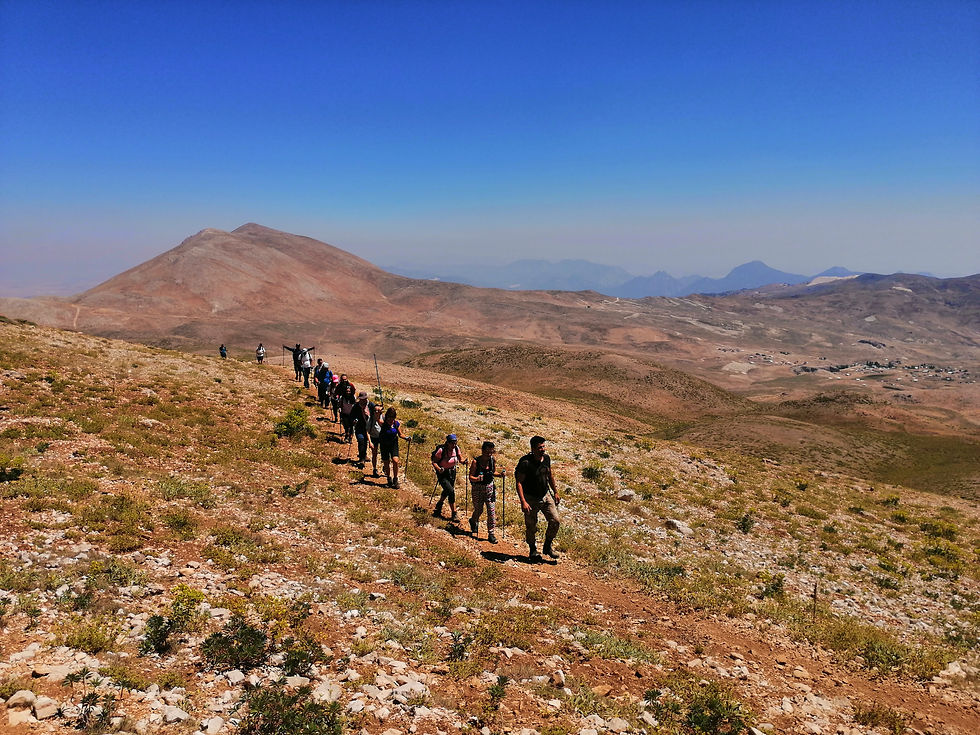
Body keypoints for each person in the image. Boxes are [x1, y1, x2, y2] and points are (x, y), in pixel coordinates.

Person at [515, 435, 560, 562]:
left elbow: (550, 475)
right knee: (531, 526)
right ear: (533, 448)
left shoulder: (546, 458)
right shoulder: (525, 463)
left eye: (543, 446)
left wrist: (555, 492)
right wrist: (523, 501)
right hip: (530, 498)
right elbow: (519, 483)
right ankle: (532, 549)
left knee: (555, 520)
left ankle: (547, 546)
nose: (543, 449)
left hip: (545, 495)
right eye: (540, 447)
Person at [469, 441, 505, 544]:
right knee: (479, 510)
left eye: (491, 452)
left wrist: (500, 475)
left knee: (491, 511)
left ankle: (491, 534)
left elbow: (493, 472)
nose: (489, 454)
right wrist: (477, 479)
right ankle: (473, 520)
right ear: (482, 451)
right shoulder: (476, 462)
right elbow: (470, 477)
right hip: (477, 489)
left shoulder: (492, 460)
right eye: (487, 452)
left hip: (489, 488)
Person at [432, 434, 467, 522]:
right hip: (443, 473)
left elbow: (460, 458)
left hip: (452, 472)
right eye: (452, 443)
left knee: (447, 490)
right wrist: (439, 469)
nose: (453, 445)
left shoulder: (456, 448)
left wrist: (463, 462)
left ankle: (439, 505)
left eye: (455, 443)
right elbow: (434, 462)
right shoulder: (441, 450)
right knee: (451, 491)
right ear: (447, 443)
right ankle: (454, 513)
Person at [379, 407, 409, 488]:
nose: (390, 419)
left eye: (392, 417)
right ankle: (389, 479)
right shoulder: (383, 423)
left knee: (395, 461)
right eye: (389, 417)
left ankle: (395, 479)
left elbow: (400, 434)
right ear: (387, 416)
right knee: (386, 462)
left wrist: (406, 438)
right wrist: (378, 412)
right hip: (384, 444)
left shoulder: (396, 424)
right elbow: (377, 418)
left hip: (393, 444)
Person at [349, 390, 375, 469]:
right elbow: (351, 416)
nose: (363, 401)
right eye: (361, 399)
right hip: (359, 427)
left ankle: (363, 454)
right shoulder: (356, 406)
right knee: (361, 440)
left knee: (366, 441)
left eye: (364, 399)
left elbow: (375, 415)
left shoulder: (371, 405)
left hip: (369, 428)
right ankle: (362, 459)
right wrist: (353, 421)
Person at [368, 404, 384, 477]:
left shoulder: (383, 418)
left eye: (378, 411)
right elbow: (367, 431)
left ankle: (385, 467)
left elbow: (385, 426)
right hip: (373, 437)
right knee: (374, 453)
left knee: (384, 453)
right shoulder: (370, 419)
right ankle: (374, 469)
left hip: (382, 437)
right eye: (375, 410)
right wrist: (370, 442)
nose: (376, 412)